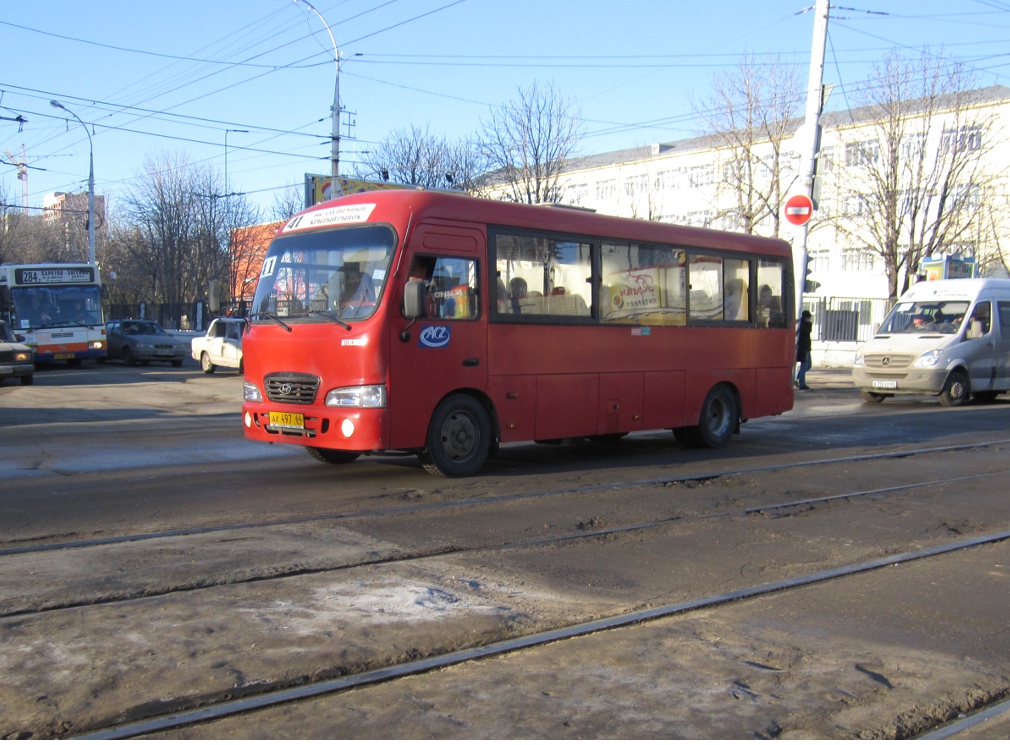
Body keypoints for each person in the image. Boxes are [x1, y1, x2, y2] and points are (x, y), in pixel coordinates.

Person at [795, 310, 813, 390]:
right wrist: (808, 323)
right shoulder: (802, 324)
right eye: (808, 318)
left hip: (807, 348)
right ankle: (802, 383)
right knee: (804, 365)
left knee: (808, 365)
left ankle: (797, 377)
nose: (809, 319)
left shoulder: (807, 324)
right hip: (803, 348)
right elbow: (806, 331)